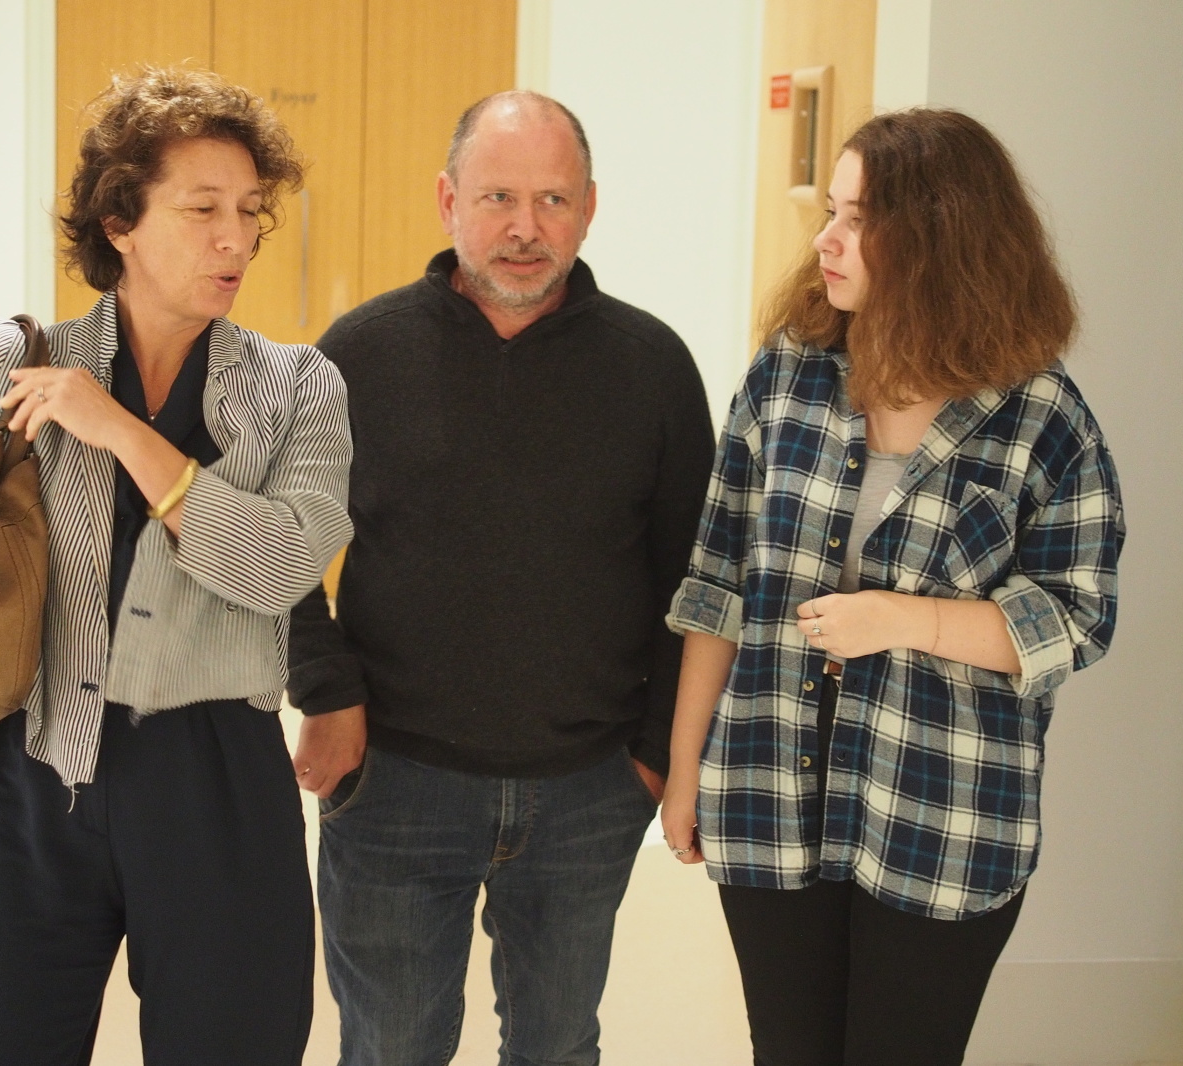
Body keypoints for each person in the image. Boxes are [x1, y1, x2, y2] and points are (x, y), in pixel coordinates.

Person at [0, 67, 352, 1066]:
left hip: (223, 795)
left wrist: (120, 431)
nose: (235, 239)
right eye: (202, 210)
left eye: (248, 211)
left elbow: (281, 567)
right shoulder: (8, 365)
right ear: (118, 221)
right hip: (37, 786)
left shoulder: (299, 387)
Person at [661, 108, 1125, 1066]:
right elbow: (716, 583)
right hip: (769, 789)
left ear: (938, 239)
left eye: (857, 218)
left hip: (941, 814)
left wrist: (902, 620)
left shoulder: (1039, 417)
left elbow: (1072, 621)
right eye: (830, 212)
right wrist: (683, 769)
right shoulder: (786, 376)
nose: (825, 240)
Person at [288, 90, 715, 1066]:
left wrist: (654, 757)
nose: (526, 227)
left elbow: (693, 579)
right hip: (394, 783)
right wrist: (325, 690)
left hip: (587, 790)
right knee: (391, 1049)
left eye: (553, 200)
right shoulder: (357, 355)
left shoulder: (651, 368)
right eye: (497, 198)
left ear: (589, 209)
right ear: (447, 201)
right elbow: (279, 547)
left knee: (556, 1048)